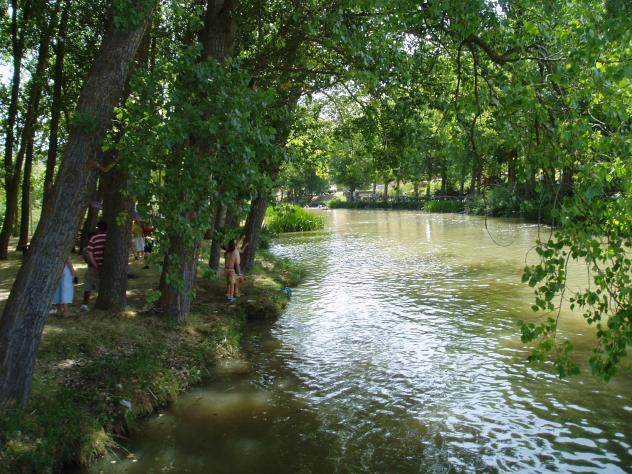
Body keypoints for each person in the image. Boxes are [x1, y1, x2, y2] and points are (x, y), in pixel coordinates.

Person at [80, 221, 108, 312]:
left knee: (88, 284)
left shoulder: (94, 238)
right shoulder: (110, 237)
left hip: (94, 266)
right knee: (103, 285)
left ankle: (85, 305)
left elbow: (90, 254)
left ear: (98, 228)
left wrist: (96, 266)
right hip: (107, 267)